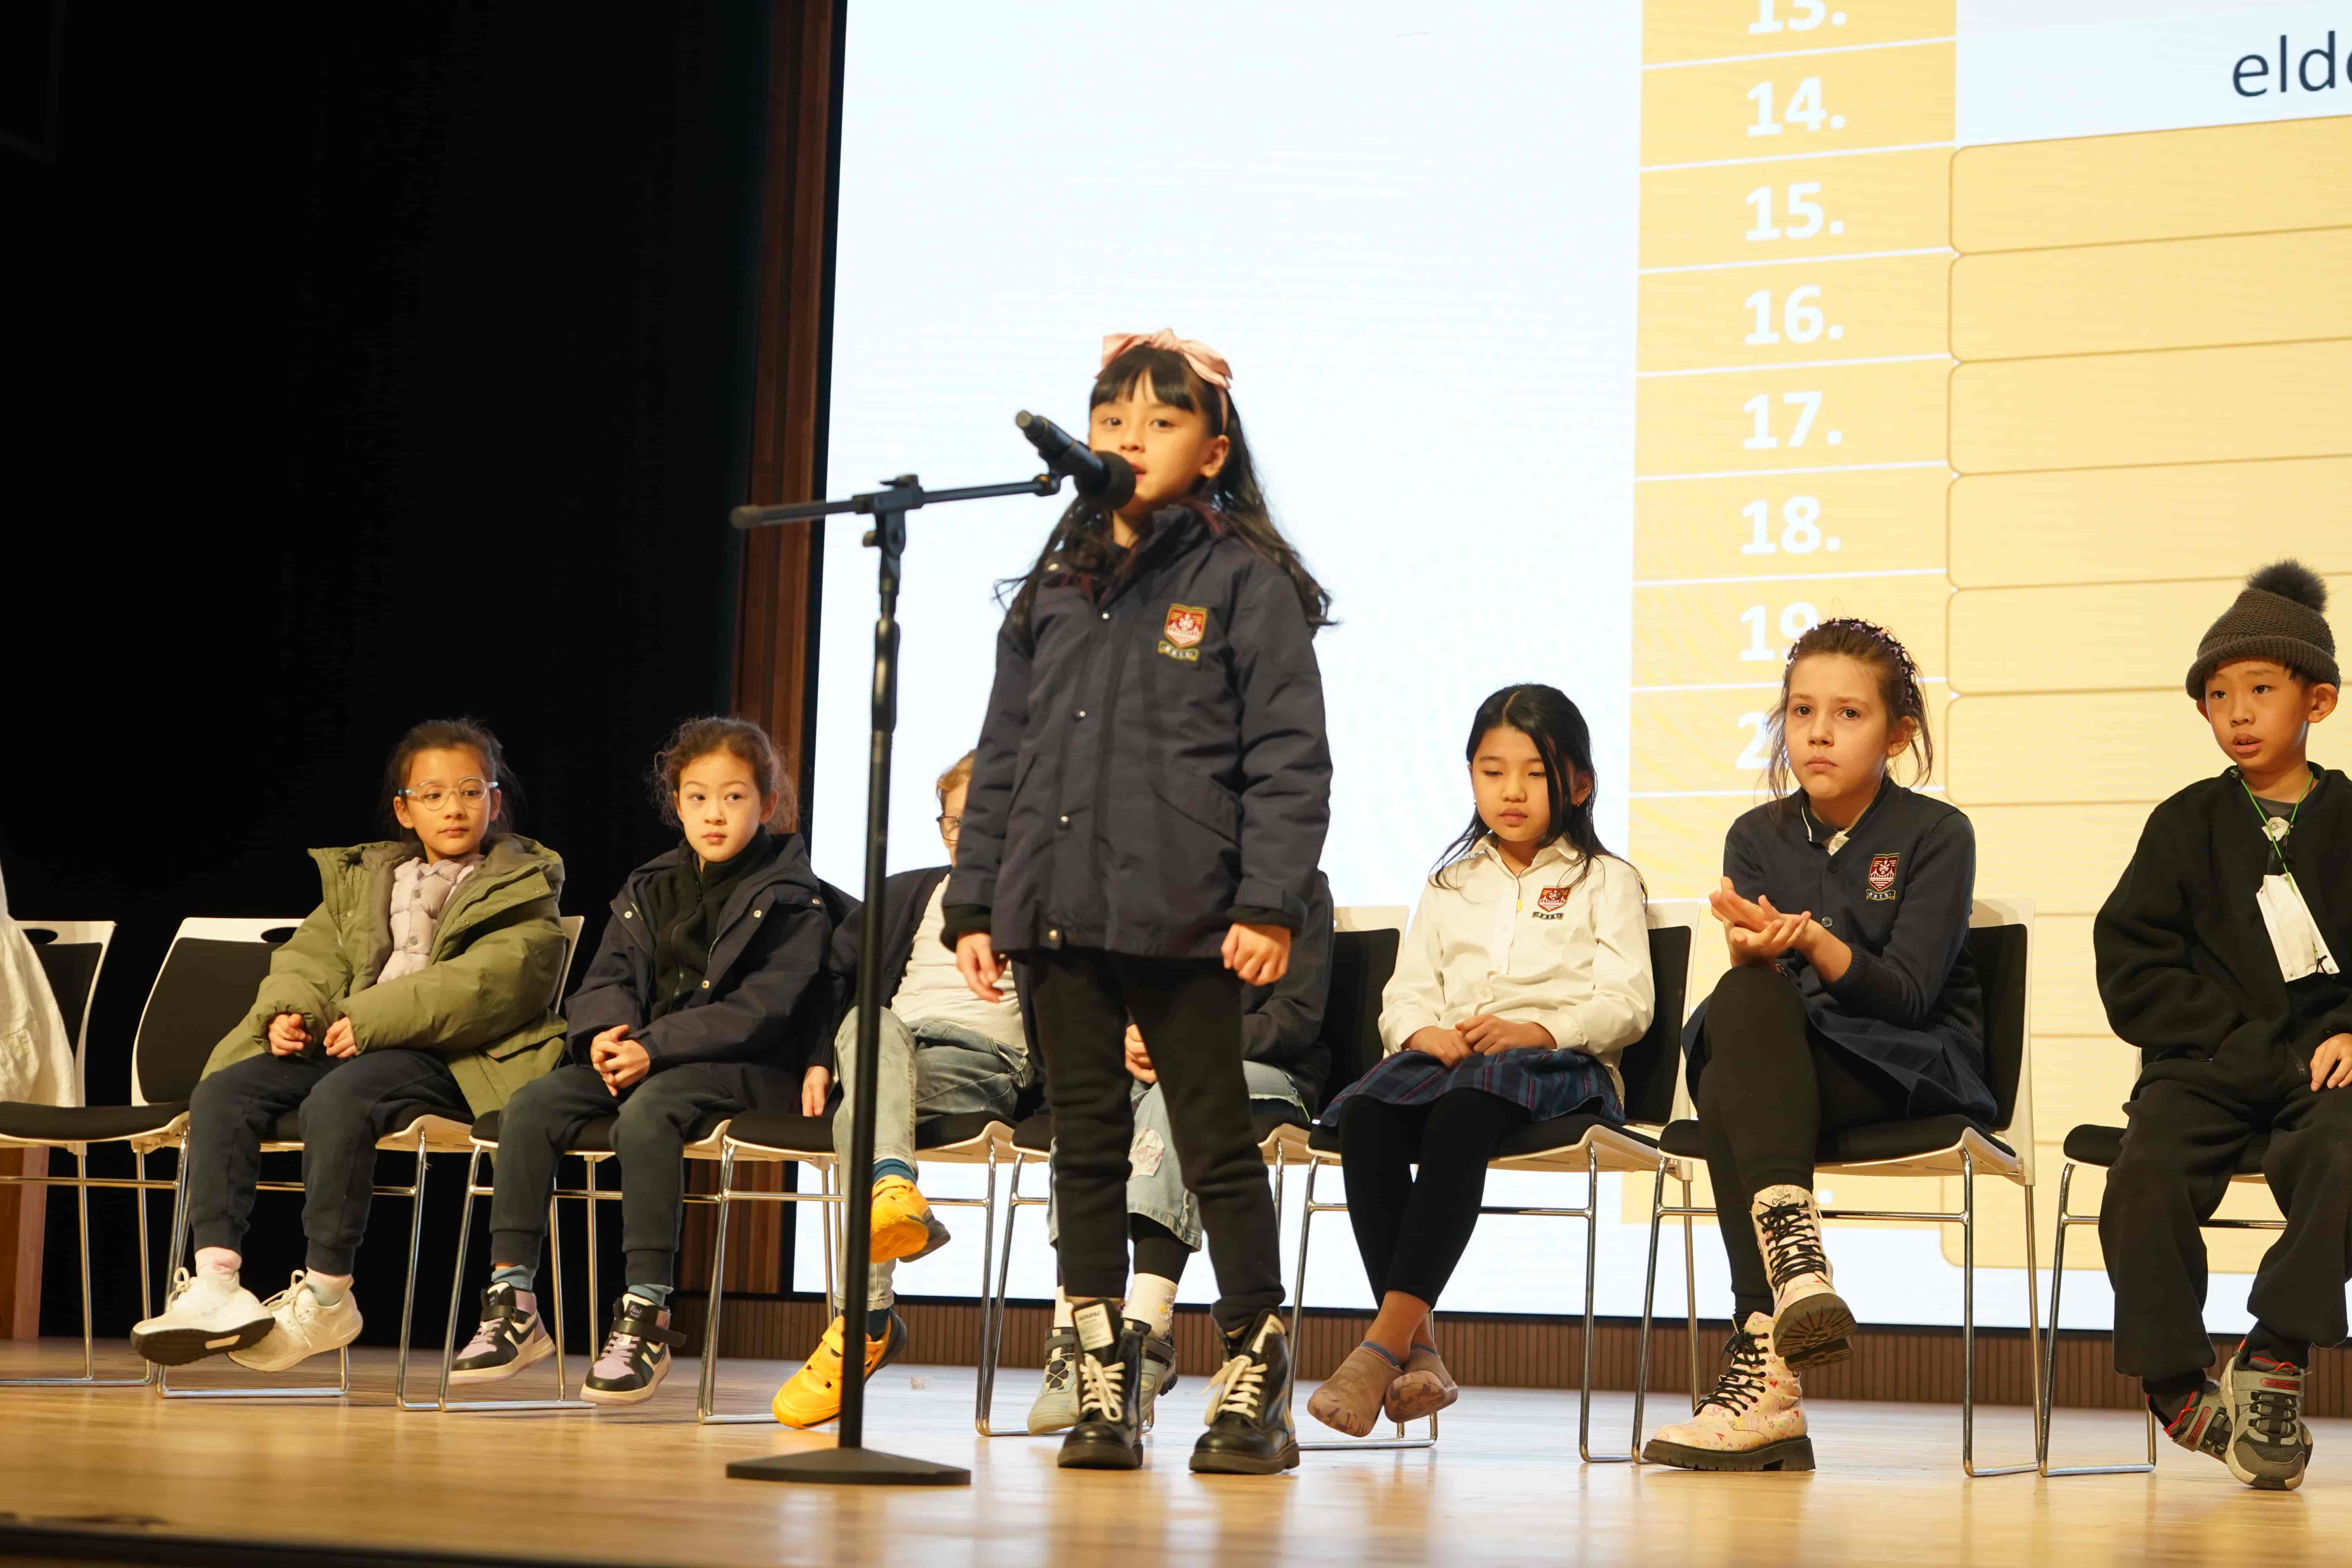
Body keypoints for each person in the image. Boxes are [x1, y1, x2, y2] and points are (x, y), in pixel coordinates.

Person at [949, 328, 1331, 1474]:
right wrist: (976, 901)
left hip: (1188, 911)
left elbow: (1288, 758)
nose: (1129, 437)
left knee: (1214, 1141)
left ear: (1213, 451)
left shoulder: (1241, 581)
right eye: (1112, 419)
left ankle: (1256, 1364)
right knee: (1085, 1147)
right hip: (1056, 908)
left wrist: (1269, 902)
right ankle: (1101, 1373)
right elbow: (1004, 753)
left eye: (1161, 420)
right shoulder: (1056, 590)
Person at [1645, 619, 1991, 1473]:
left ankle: (1763, 1360)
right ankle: (1796, 1269)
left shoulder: (1938, 833)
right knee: (1744, 998)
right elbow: (1766, 998)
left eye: (1847, 713)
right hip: (1792, 1063)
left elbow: (1908, 996)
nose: (1819, 733)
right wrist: (1757, 954)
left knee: (1729, 1094)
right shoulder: (1756, 835)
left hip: (1902, 1066)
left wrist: (1810, 941)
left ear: (1897, 735)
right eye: (1802, 711)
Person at [132, 719, 567, 1370]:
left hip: (450, 1058)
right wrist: (292, 1014)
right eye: (433, 794)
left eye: (471, 791)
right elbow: (311, 957)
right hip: (349, 1042)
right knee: (225, 1091)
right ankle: (217, 1281)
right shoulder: (370, 876)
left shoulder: (522, 885)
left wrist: (367, 1018)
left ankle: (328, 1294)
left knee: (340, 1099)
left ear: (495, 801)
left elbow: (489, 983)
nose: (454, 808)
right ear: (405, 810)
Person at [447, 717, 835, 1404]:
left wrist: (651, 1048)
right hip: (646, 1056)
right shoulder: (651, 883)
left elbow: (761, 1011)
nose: (715, 814)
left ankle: (647, 1315)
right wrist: (603, 1035)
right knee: (532, 1105)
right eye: (698, 798)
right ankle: (513, 1301)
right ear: (676, 802)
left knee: (650, 1113)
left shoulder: (793, 898)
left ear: (768, 804)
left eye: (735, 798)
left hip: (748, 1069)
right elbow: (608, 978)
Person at [1305, 685, 1651, 1436]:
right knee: (1366, 1115)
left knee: (1463, 1114)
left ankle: (1378, 1350)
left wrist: (1541, 1029)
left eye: (1536, 772)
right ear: (1471, 778)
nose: (1512, 791)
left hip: (1562, 1067)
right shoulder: (1449, 883)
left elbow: (1629, 1003)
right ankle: (1420, 1351)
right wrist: (1420, 1032)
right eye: (1493, 772)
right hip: (1450, 1060)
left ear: (1580, 784)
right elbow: (1405, 994)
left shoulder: (1607, 880)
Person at [2093, 561, 2347, 1492]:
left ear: (2317, 699)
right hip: (2204, 1064)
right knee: (2146, 1173)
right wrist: (2230, 1039)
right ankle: (2172, 1379)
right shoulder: (2185, 823)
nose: (2237, 712)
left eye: (2261, 690)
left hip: (2323, 1071)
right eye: (2217, 695)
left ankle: (2275, 1354)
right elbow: (2132, 962)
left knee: (2346, 1153)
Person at [768, 750, 1025, 1426]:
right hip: (888, 1049)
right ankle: (894, 1189)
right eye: (955, 822)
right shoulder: (907, 893)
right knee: (869, 1025)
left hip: (985, 1064)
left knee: (859, 1110)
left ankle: (867, 1320)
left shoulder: (1049, 904)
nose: (967, 836)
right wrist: (819, 1059)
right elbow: (836, 981)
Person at [1028, 870, 1336, 1435]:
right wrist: (1124, 1034)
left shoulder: (1299, 885)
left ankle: (1146, 1336)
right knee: (1084, 1109)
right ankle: (1077, 1342)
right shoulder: (1151, 872)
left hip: (1263, 1069)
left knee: (1180, 1097)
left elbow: (1295, 1018)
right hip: (1148, 1063)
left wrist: (1184, 1043)